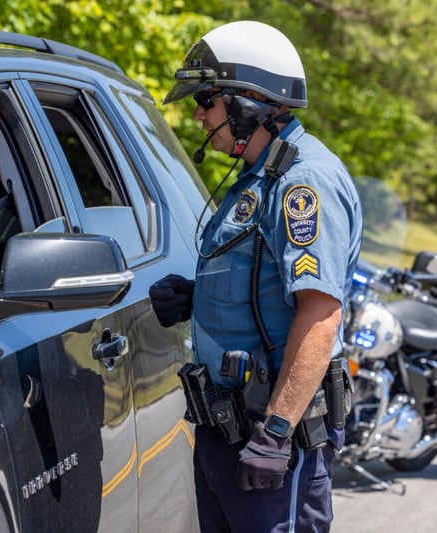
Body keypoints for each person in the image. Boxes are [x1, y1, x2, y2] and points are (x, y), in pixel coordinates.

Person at [149, 21, 363, 532]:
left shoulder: (302, 181)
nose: (199, 115)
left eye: (207, 99)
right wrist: (201, 297)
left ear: (249, 101)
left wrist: (276, 431)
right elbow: (265, 282)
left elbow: (319, 314)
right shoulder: (257, 175)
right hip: (226, 430)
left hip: (270, 441)